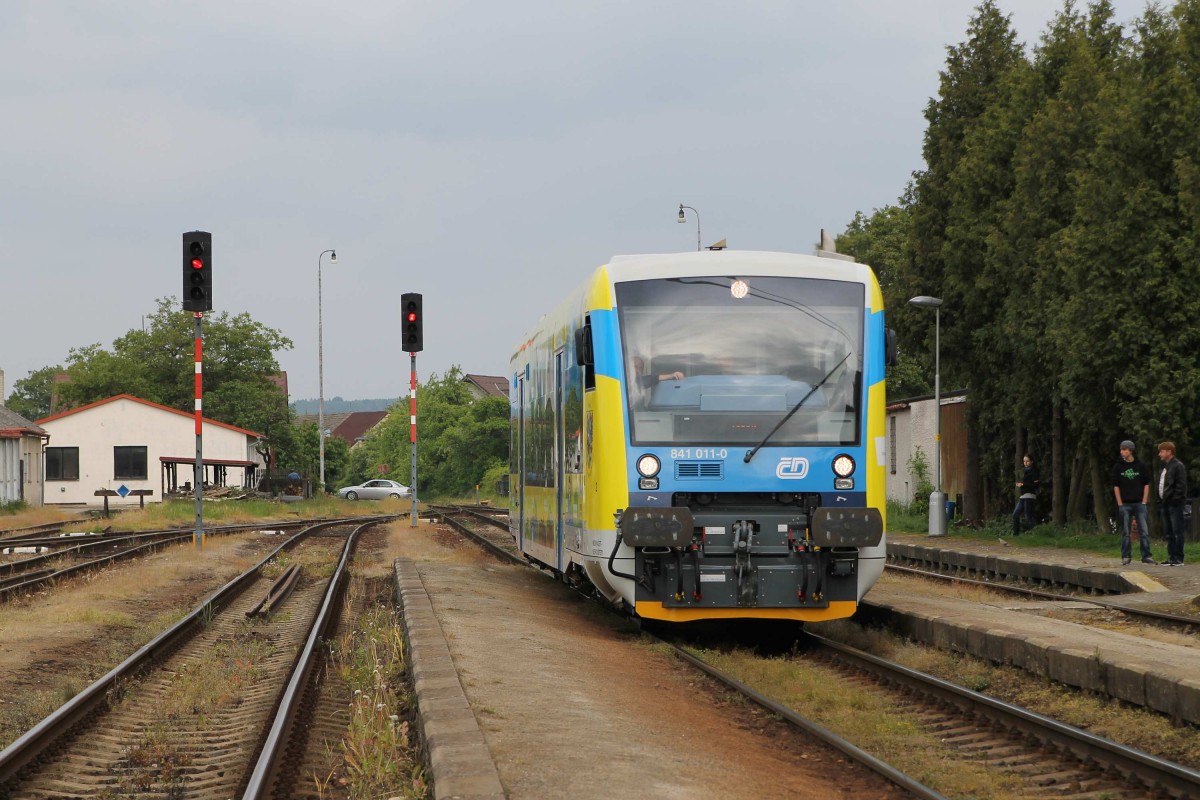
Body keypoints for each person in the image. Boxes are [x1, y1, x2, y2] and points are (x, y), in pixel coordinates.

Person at [1112, 439, 1154, 566]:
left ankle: (1146, 555)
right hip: (1125, 503)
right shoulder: (1118, 467)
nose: (1122, 452)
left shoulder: (1140, 465)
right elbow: (1116, 486)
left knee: (1144, 531)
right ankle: (1126, 556)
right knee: (1126, 532)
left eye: (1124, 449)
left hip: (1139, 503)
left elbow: (1146, 484)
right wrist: (1120, 503)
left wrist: (1144, 501)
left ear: (1131, 451)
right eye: (1121, 449)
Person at [1156, 441, 1187, 566]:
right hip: (1165, 503)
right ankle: (1172, 556)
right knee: (1168, 531)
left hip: (1174, 503)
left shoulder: (1178, 466)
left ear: (1169, 452)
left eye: (1162, 451)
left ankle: (1179, 557)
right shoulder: (1165, 467)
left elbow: (1181, 485)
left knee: (1177, 530)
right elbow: (1162, 485)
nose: (1159, 454)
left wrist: (1175, 499)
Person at [1011, 454, 1039, 535]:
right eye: (1024, 461)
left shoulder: (1034, 471)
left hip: (1030, 495)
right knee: (1015, 514)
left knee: (1028, 516)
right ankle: (1016, 534)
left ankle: (1033, 534)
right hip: (1022, 495)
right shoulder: (1024, 471)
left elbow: (1035, 485)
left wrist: (1023, 484)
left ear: (1031, 461)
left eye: (1027, 461)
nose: (1025, 463)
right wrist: (1019, 485)